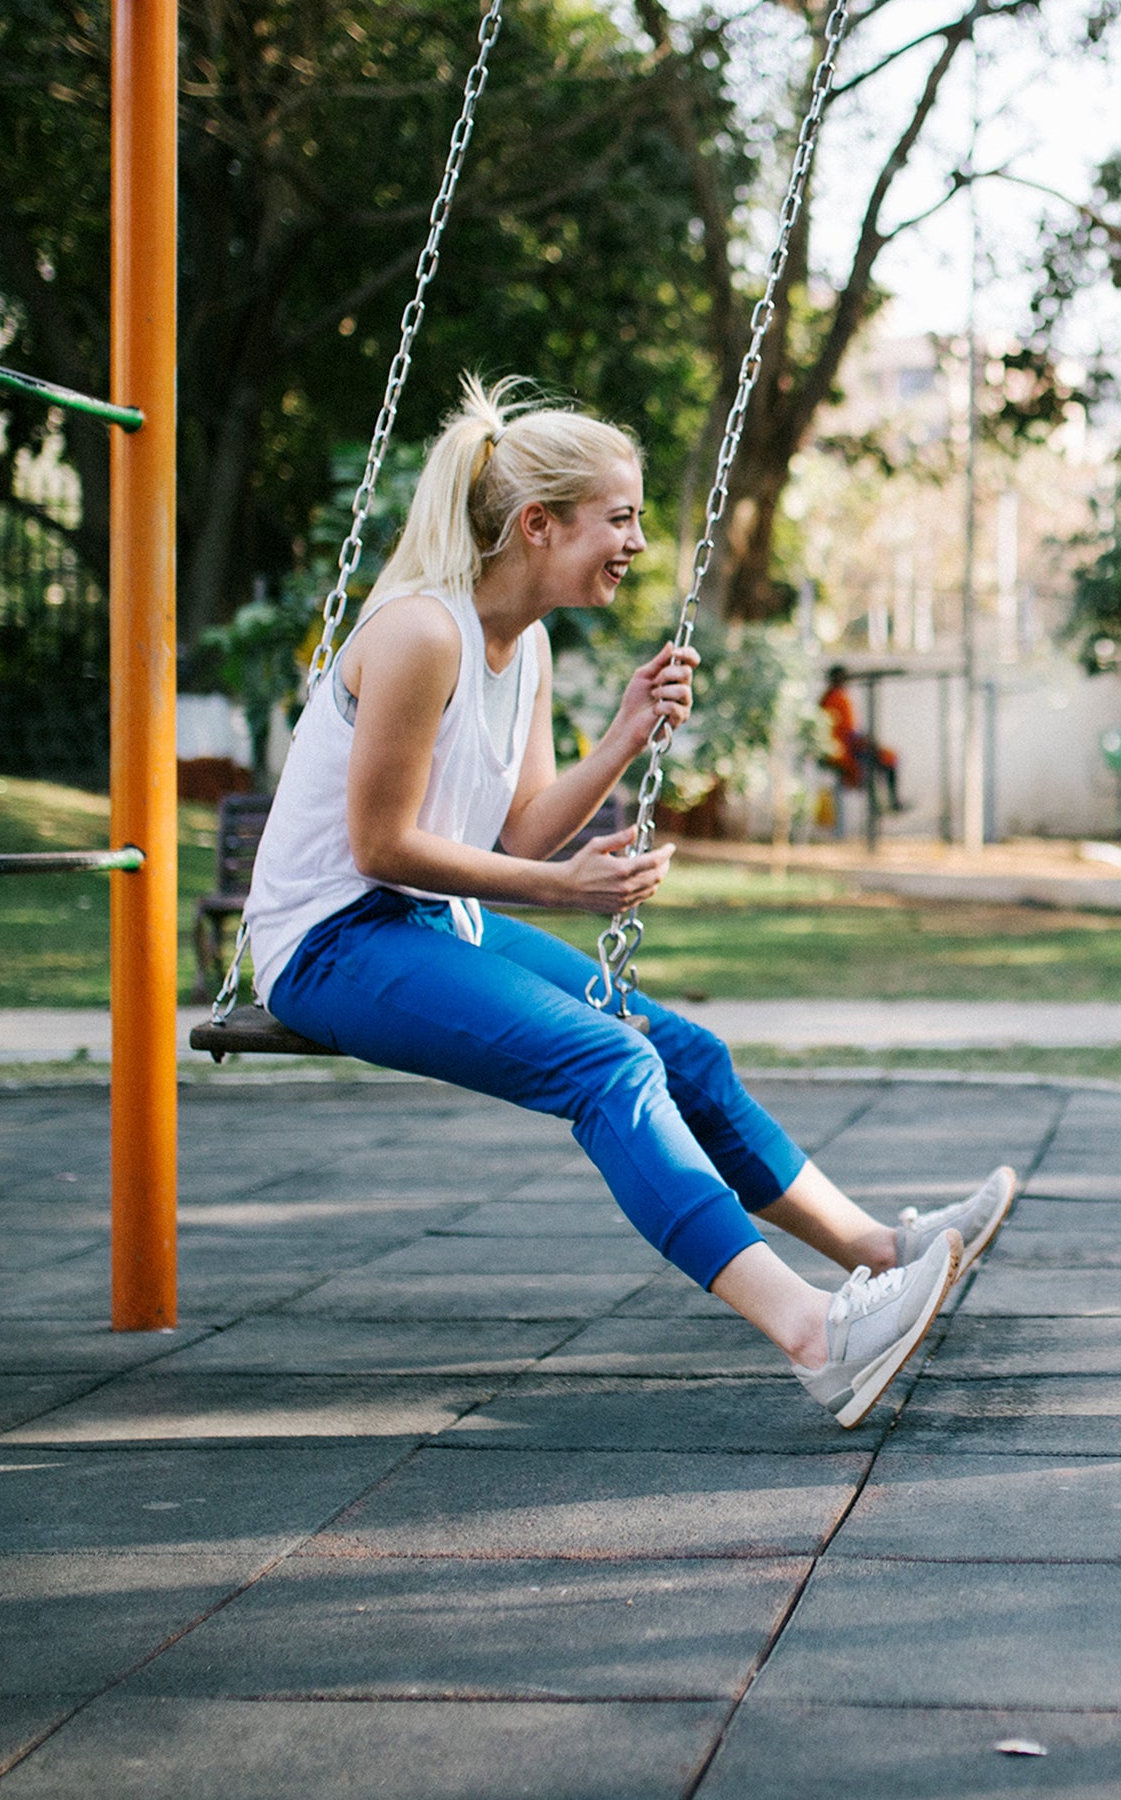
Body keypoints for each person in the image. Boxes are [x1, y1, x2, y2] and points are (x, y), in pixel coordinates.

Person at [245, 377, 1015, 1427]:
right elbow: (383, 847)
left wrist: (623, 733)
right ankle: (814, 1332)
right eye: (620, 517)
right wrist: (564, 888)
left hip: (424, 923)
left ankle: (882, 1249)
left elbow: (516, 829)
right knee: (606, 1061)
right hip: (331, 941)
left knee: (681, 1048)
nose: (638, 542)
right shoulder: (421, 634)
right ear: (537, 524)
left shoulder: (526, 645)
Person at [819, 664, 902, 813]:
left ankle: (885, 805)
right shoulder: (835, 699)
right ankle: (885, 806)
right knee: (877, 762)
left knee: (886, 758)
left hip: (846, 746)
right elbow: (845, 731)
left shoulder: (832, 698)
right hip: (843, 750)